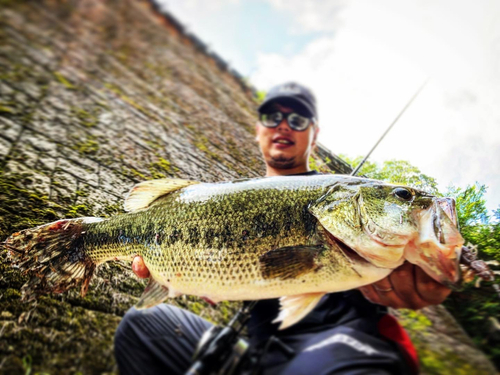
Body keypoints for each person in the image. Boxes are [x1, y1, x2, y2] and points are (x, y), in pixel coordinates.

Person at [114, 82, 451, 374]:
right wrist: (191, 273)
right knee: (141, 326)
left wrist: (438, 272)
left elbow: (448, 268)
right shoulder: (230, 196)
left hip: (346, 341)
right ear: (258, 130)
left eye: (298, 119)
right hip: (260, 352)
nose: (284, 126)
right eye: (272, 118)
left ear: (314, 135)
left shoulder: (341, 197)